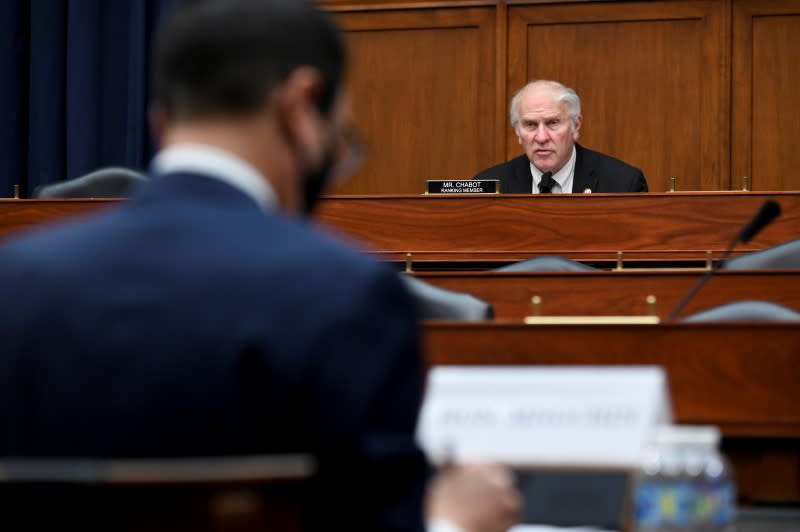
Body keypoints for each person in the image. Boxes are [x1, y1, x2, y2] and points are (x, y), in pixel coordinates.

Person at [0, 1, 519, 531]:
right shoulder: (346, 292)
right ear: (302, 105)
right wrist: (452, 521)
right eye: (339, 134)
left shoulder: (14, 281)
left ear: (163, 121)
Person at [473, 80, 648, 194]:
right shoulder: (488, 186)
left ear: (576, 125)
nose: (541, 137)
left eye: (552, 123)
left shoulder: (623, 184)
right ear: (518, 132)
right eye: (530, 125)